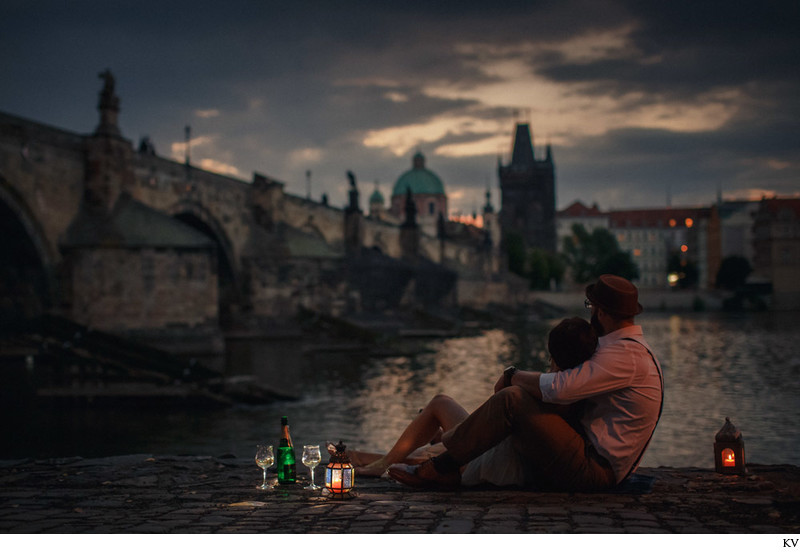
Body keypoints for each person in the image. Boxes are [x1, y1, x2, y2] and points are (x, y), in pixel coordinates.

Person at [388, 274, 663, 492]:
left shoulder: (625, 355)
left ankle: (442, 466)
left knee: (513, 399)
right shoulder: (624, 349)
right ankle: (448, 450)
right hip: (589, 455)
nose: (591, 313)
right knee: (517, 397)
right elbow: (562, 386)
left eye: (591, 307)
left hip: (594, 468)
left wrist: (512, 375)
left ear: (601, 312)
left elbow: (560, 388)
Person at [349, 317, 599, 487]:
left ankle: (378, 461)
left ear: (554, 354)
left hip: (499, 464)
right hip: (499, 450)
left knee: (435, 448)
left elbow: (499, 389)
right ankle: (379, 459)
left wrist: (521, 375)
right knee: (441, 404)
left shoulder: (557, 390)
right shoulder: (573, 384)